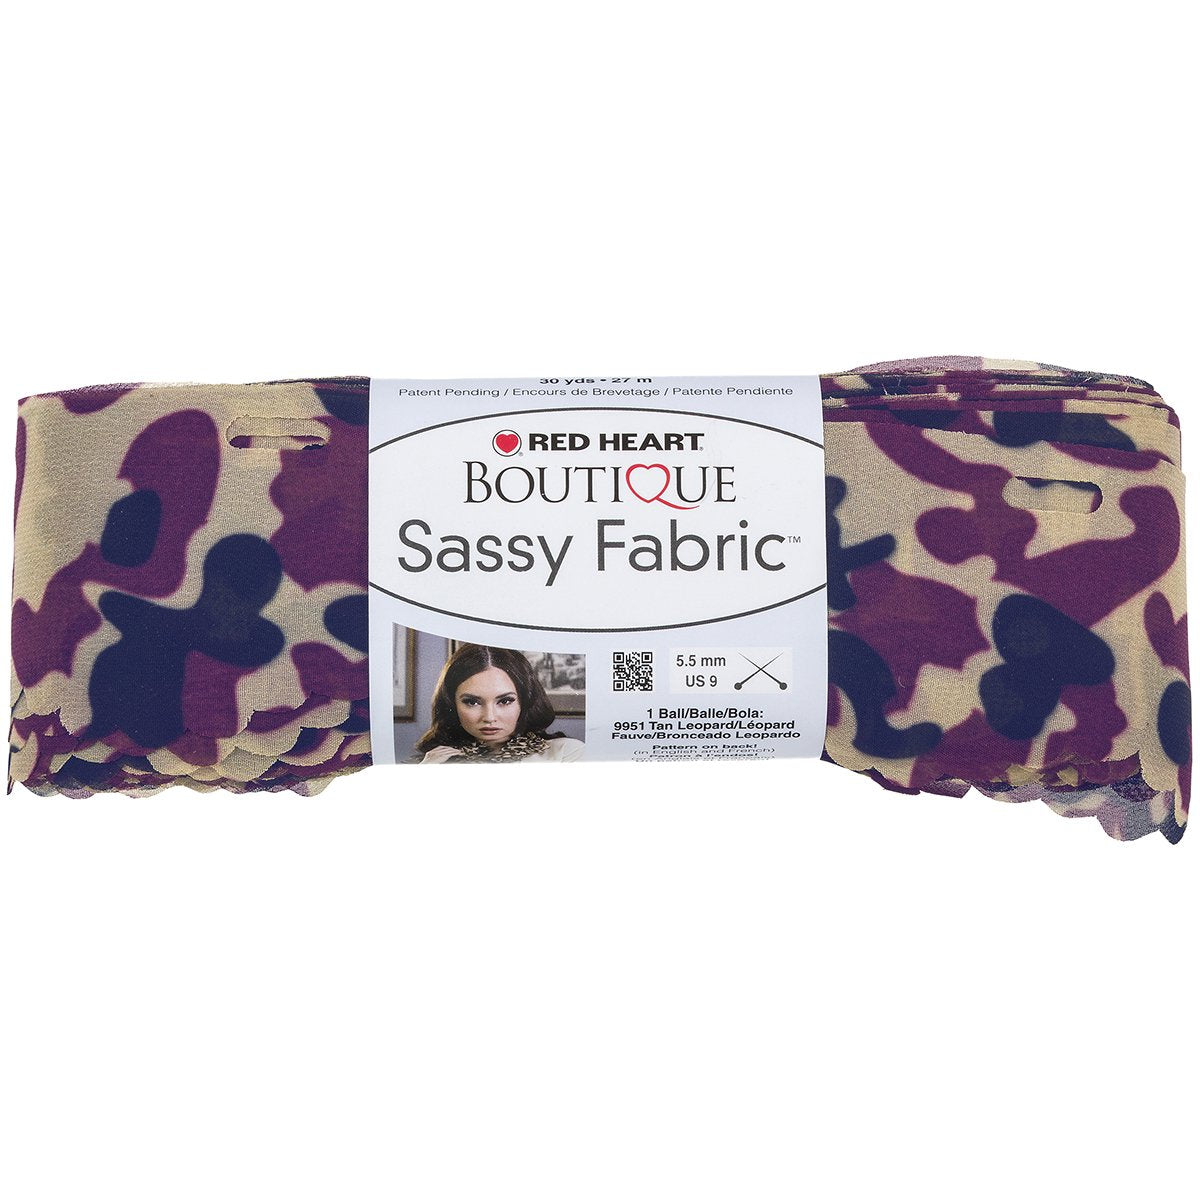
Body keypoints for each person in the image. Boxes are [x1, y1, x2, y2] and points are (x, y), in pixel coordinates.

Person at [415, 644, 585, 763]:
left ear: (525, 700)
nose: (489, 717)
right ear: (451, 703)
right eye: (472, 702)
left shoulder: (567, 752)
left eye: (505, 701)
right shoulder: (434, 761)